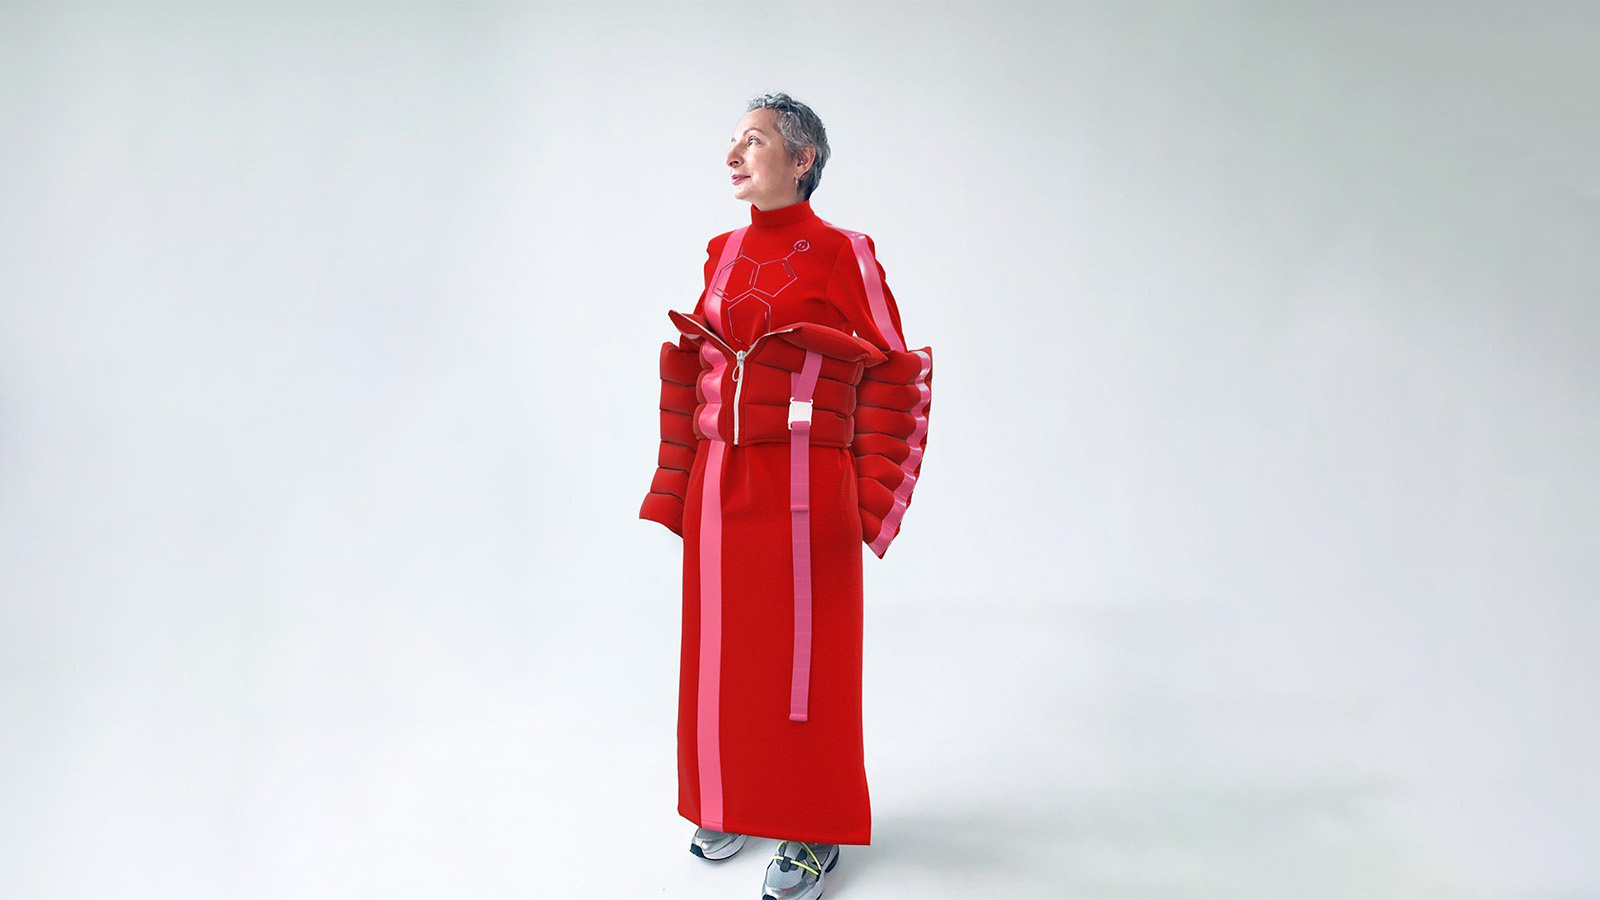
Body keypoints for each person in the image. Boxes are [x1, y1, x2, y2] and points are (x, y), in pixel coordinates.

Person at [639, 92, 933, 900]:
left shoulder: (845, 252)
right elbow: (702, 362)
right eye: (733, 141)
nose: (734, 156)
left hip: (808, 484)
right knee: (724, 652)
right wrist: (682, 475)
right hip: (721, 479)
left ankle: (812, 829)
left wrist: (872, 488)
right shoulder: (723, 251)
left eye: (756, 141)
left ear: (803, 161)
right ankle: (732, 801)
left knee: (810, 660)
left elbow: (895, 366)